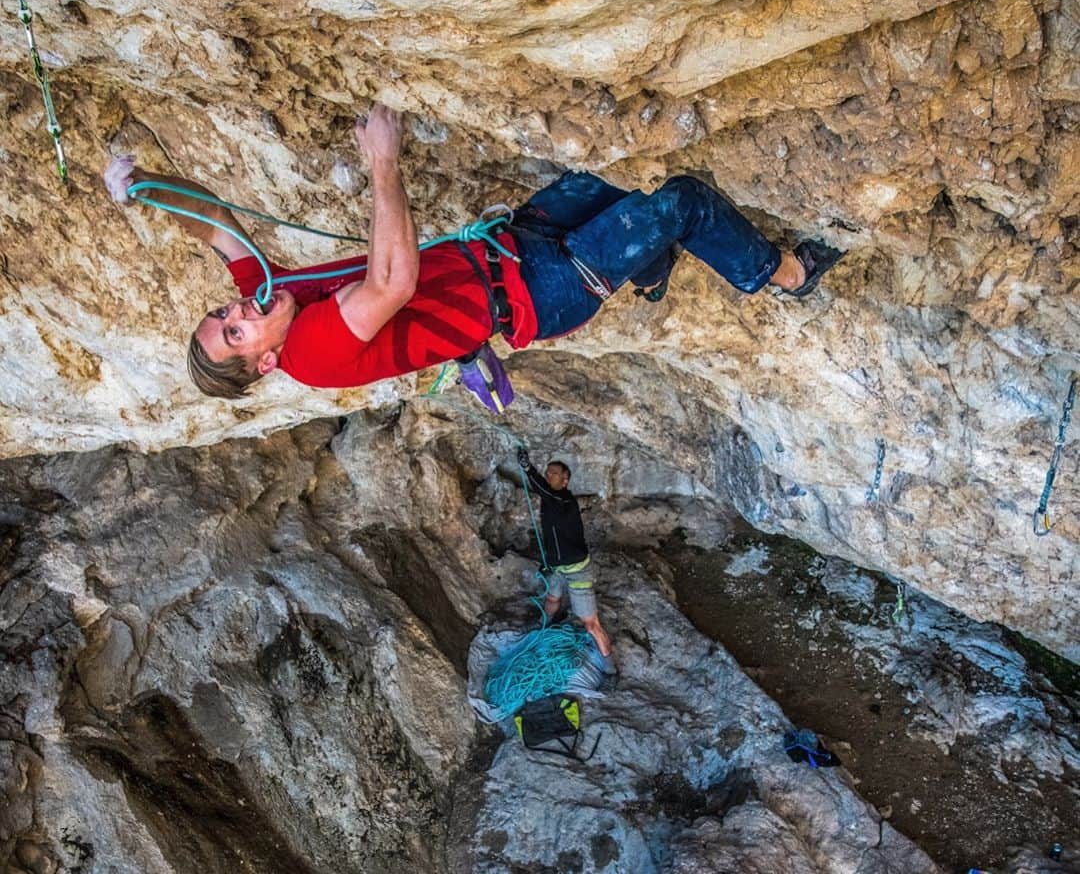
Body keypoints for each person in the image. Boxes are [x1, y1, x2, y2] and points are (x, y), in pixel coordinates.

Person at [103, 103, 842, 400]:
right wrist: (383, 164)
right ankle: (783, 274)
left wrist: (144, 189)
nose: (237, 309)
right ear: (263, 361)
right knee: (677, 201)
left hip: (511, 245)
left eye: (221, 312)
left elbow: (214, 224)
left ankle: (648, 270)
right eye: (235, 331)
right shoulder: (314, 352)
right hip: (537, 290)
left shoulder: (271, 294)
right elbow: (391, 282)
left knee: (611, 168)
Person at [515, 447, 612, 657]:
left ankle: (608, 662)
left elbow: (546, 492)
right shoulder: (550, 500)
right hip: (557, 566)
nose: (549, 476)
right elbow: (545, 493)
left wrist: (528, 469)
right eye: (547, 472)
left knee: (590, 623)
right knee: (552, 600)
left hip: (577, 568)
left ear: (565, 480)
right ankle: (541, 627)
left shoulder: (565, 500)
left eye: (554, 474)